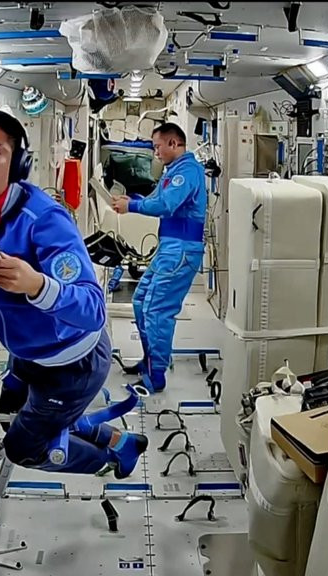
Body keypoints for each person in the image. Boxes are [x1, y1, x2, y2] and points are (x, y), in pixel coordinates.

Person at [0, 109, 147, 478]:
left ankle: (110, 459)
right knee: (13, 407)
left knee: (22, 447)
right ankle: (117, 440)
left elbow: (93, 309)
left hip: (73, 362)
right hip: (28, 352)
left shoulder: (44, 220)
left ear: (18, 164)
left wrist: (37, 285)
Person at [111, 122, 207, 393]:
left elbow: (166, 204)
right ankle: (149, 361)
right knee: (141, 301)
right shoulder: (173, 171)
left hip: (180, 250)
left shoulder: (187, 172)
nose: (155, 153)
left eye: (158, 147)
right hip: (169, 248)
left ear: (174, 144)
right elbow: (156, 198)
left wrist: (132, 206)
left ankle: (156, 375)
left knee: (157, 310)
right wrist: (132, 198)